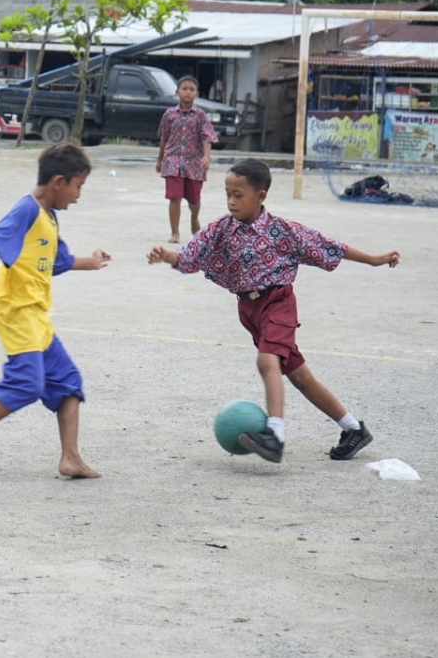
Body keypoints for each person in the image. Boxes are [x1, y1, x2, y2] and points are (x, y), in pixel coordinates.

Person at [147, 158, 400, 464]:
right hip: (249, 310)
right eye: (227, 193)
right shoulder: (219, 230)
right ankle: (353, 428)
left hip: (278, 303)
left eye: (238, 195)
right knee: (300, 376)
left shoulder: (283, 231)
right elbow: (190, 255)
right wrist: (168, 256)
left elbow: (329, 246)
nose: (231, 201)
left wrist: (374, 259)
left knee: (267, 361)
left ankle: (275, 435)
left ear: (261, 195)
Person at [0, 143, 111, 477]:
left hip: (35, 312)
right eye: (78, 187)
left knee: (67, 381)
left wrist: (90, 263)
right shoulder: (28, 209)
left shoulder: (49, 217)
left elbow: (55, 261)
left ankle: (71, 458)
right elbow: (0, 234)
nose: (78, 196)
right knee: (28, 384)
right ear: (58, 182)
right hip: (15, 309)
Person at [156, 76, 217, 244]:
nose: (188, 92)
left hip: (194, 163)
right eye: (185, 88)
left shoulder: (201, 115)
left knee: (194, 200)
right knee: (174, 197)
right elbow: (164, 137)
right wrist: (160, 160)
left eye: (192, 89)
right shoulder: (169, 115)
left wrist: (206, 156)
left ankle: (194, 218)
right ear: (177, 92)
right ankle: (175, 232)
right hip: (173, 161)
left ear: (196, 94)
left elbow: (207, 137)